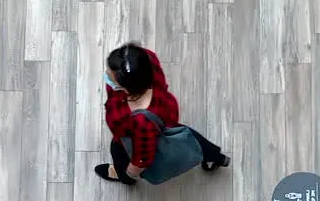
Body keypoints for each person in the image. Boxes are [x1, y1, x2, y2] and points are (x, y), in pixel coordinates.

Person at [96, 42, 230, 184]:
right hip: (164, 113)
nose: (106, 75)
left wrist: (131, 172)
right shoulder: (145, 60)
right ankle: (215, 155)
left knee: (118, 152)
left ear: (127, 89)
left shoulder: (141, 122)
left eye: (111, 78)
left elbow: (143, 156)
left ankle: (123, 177)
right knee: (180, 132)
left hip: (132, 133)